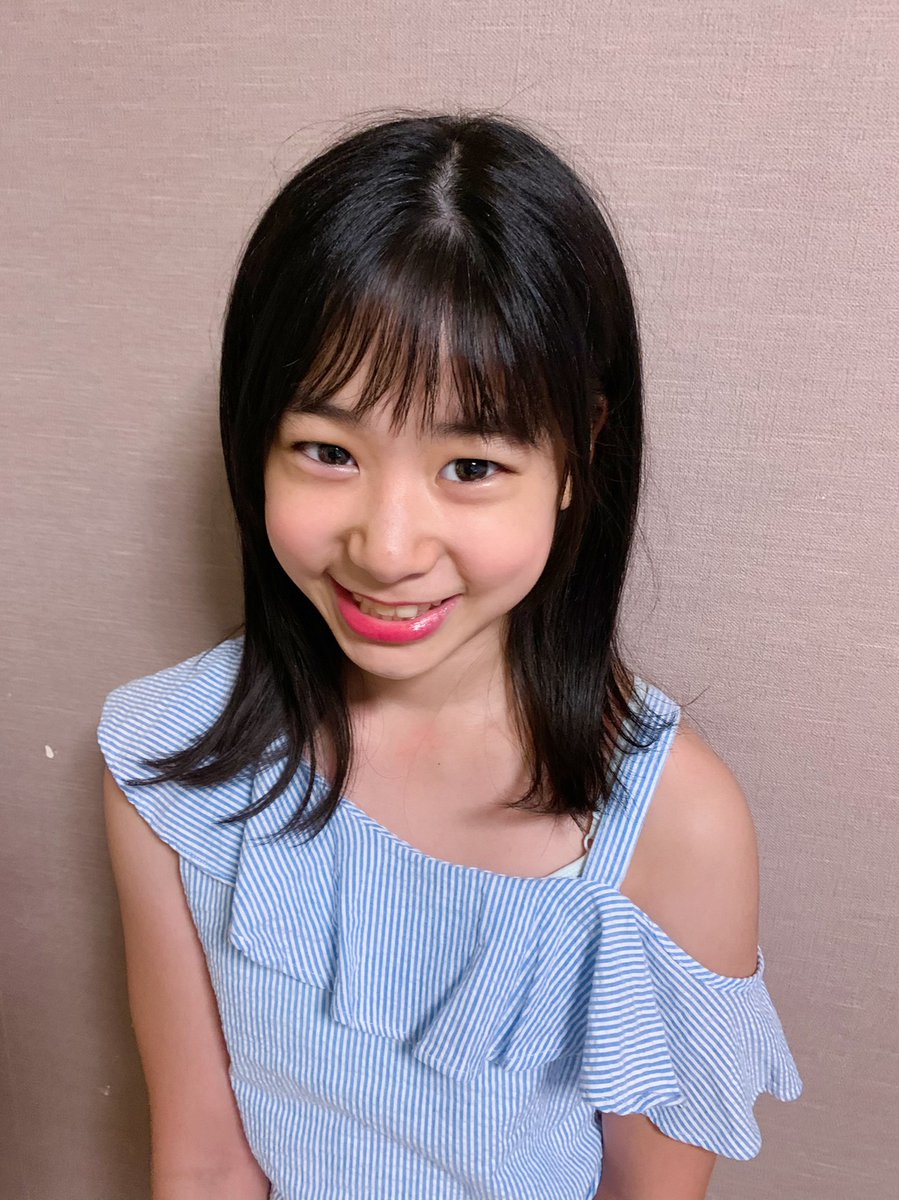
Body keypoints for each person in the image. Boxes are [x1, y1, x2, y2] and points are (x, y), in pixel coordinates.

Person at [98, 111, 803, 1200]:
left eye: (469, 466)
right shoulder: (171, 759)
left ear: (578, 456)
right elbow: (202, 1163)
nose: (386, 549)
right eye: (326, 450)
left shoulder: (675, 825)